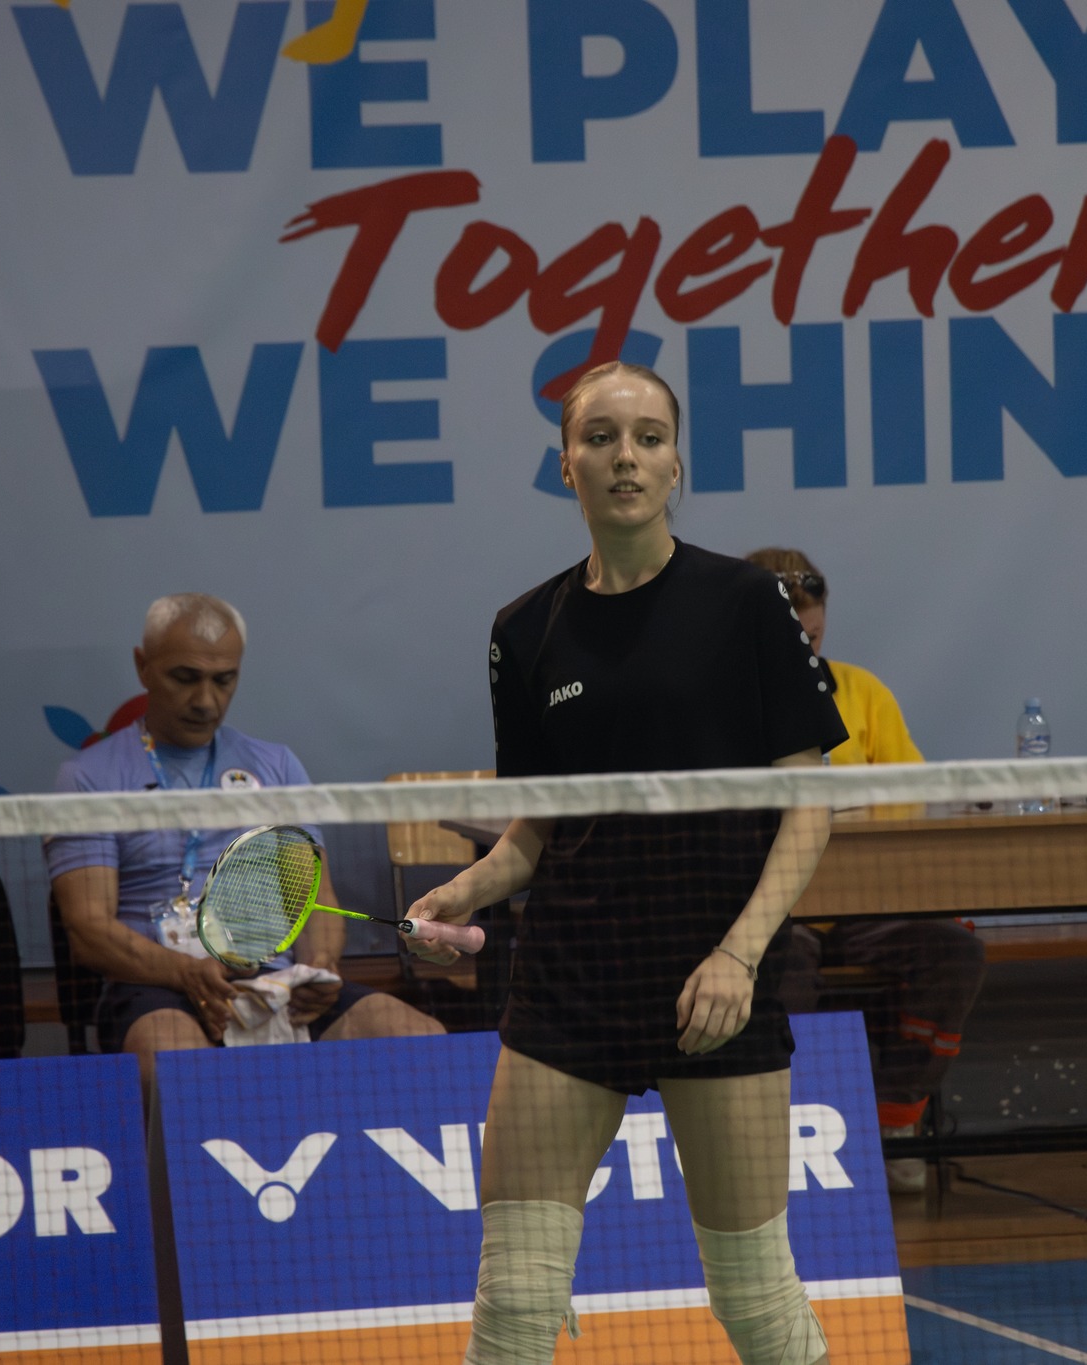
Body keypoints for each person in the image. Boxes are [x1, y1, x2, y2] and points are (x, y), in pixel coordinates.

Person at [406, 364, 846, 1365]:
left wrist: (738, 956)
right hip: (572, 978)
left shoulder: (745, 602)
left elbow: (809, 804)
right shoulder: (525, 630)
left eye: (649, 437)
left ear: (675, 463)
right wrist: (462, 890)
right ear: (566, 464)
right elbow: (538, 830)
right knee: (514, 1303)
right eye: (600, 437)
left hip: (713, 980)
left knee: (755, 1302)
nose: (626, 458)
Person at [48, 593, 440, 1083]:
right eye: (185, 678)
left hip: (277, 984)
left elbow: (317, 901)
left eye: (223, 680)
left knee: (422, 1042)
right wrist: (182, 972)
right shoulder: (88, 778)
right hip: (156, 986)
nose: (205, 701)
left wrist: (319, 967)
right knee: (181, 1072)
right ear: (142, 667)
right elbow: (89, 931)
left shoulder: (276, 766)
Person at [744, 548, 987, 1196]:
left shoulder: (863, 693)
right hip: (771, 909)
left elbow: (913, 795)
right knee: (781, 964)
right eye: (792, 638)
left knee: (954, 951)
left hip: (866, 903)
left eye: (815, 636)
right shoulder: (717, 703)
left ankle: (896, 1119)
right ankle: (785, 1137)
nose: (806, 649)